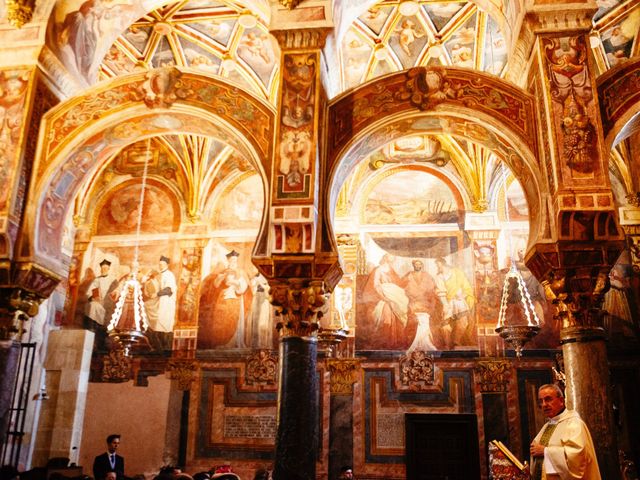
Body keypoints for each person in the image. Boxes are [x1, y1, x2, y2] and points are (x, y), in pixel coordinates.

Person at [529, 384, 600, 479]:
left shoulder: (574, 424)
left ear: (561, 401)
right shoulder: (548, 425)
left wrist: (545, 451)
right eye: (541, 401)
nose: (544, 405)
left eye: (548, 399)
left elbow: (577, 458)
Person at [435, 257, 475, 350]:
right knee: (445, 324)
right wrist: (445, 304)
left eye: (438, 265)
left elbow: (466, 286)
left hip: (460, 302)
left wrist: (464, 295)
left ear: (442, 263)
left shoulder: (457, 272)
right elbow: (441, 291)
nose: (437, 267)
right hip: (448, 302)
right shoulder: (439, 277)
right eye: (437, 265)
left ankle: (456, 341)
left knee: (463, 322)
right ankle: (447, 344)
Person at [84, 259, 118, 348]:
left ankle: (101, 340)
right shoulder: (97, 279)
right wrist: (94, 297)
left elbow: (115, 292)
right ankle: (91, 329)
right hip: (98, 302)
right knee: (92, 306)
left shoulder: (113, 280)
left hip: (108, 304)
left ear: (109, 269)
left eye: (106, 268)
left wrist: (111, 297)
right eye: (103, 269)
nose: (104, 270)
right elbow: (92, 290)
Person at [155, 256, 177, 350]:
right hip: (160, 302)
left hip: (167, 302)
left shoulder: (169, 275)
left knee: (166, 324)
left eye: (162, 264)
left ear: (167, 265)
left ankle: (167, 349)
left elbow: (169, 289)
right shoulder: (159, 275)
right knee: (159, 323)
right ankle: (159, 349)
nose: (160, 266)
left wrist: (157, 293)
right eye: (159, 264)